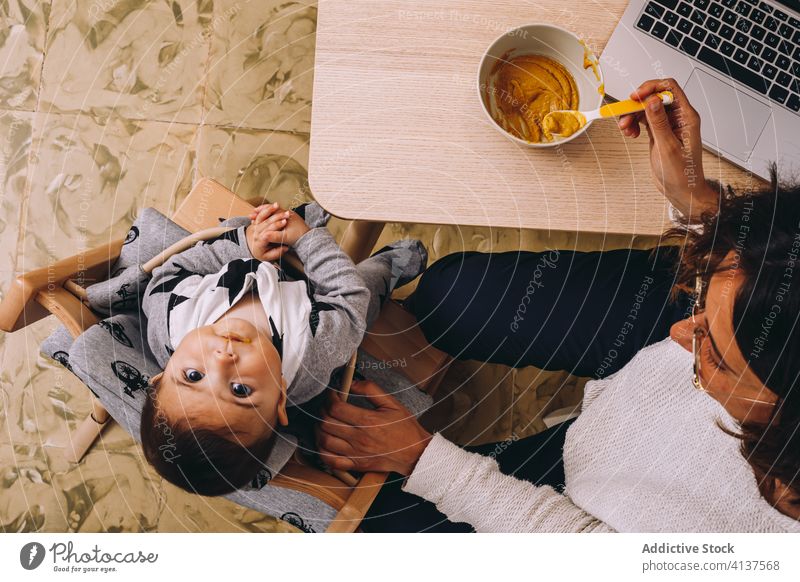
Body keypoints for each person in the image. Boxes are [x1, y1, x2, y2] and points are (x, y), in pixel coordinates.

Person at [315, 79, 800, 532]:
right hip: (625, 413)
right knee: (451, 293)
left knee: (377, 522)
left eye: (711, 350)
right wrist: (702, 209)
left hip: (591, 505)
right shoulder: (732, 336)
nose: (677, 335)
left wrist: (423, 460)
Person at [138, 201, 427, 496]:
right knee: (364, 292)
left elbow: (175, 268)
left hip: (248, 256)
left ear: (160, 376)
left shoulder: (170, 322)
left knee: (264, 223)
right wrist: (306, 240)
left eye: (193, 376)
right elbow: (348, 299)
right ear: (279, 397)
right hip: (315, 301)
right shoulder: (313, 352)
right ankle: (388, 265)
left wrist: (244, 246)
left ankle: (281, 226)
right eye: (239, 390)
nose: (222, 360)